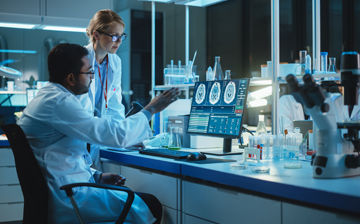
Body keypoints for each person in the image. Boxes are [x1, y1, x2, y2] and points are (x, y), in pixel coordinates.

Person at [17, 43, 179, 224]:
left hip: (65, 188)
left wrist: (96, 176)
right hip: (69, 197)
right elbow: (116, 135)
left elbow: (63, 156)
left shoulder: (51, 96)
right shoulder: (59, 102)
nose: (93, 77)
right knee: (149, 205)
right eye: (89, 72)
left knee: (142, 203)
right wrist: (151, 109)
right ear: (71, 78)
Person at [78, 9, 151, 169]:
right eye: (114, 36)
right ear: (96, 34)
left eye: (122, 36)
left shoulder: (115, 62)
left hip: (99, 136)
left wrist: (123, 138)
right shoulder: (80, 59)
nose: (118, 41)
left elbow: (114, 106)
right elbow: (79, 109)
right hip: (79, 134)